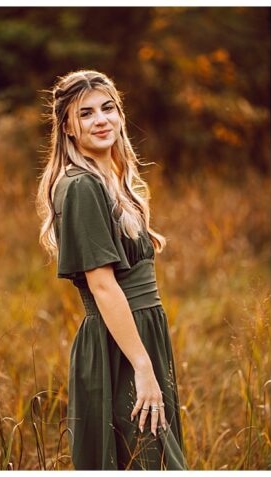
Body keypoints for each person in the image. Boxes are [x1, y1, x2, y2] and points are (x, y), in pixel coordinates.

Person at [35, 70, 187, 470]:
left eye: (108, 108)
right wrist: (141, 366)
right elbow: (102, 286)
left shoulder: (117, 182)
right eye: (85, 114)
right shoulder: (82, 185)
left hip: (141, 333)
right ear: (67, 127)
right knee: (145, 461)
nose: (101, 120)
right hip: (118, 346)